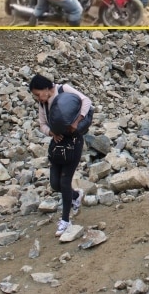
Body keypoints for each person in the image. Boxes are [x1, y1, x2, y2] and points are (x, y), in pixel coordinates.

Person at [29, 74, 92, 237]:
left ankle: (65, 220)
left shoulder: (63, 89)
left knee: (65, 181)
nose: (37, 98)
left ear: (45, 88)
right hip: (58, 144)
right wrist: (50, 132)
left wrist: (77, 122)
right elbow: (42, 124)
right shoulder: (42, 105)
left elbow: (86, 101)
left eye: (37, 94)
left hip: (74, 142)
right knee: (55, 184)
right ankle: (76, 195)